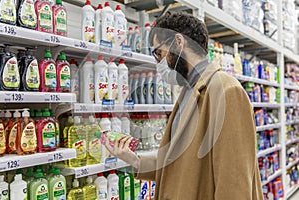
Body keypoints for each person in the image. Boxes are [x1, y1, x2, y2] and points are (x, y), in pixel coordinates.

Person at [104, 11, 263, 199]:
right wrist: (135, 160)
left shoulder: (226, 91)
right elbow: (179, 162)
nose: (158, 63)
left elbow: (234, 181)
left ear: (178, 42)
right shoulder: (189, 91)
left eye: (159, 53)